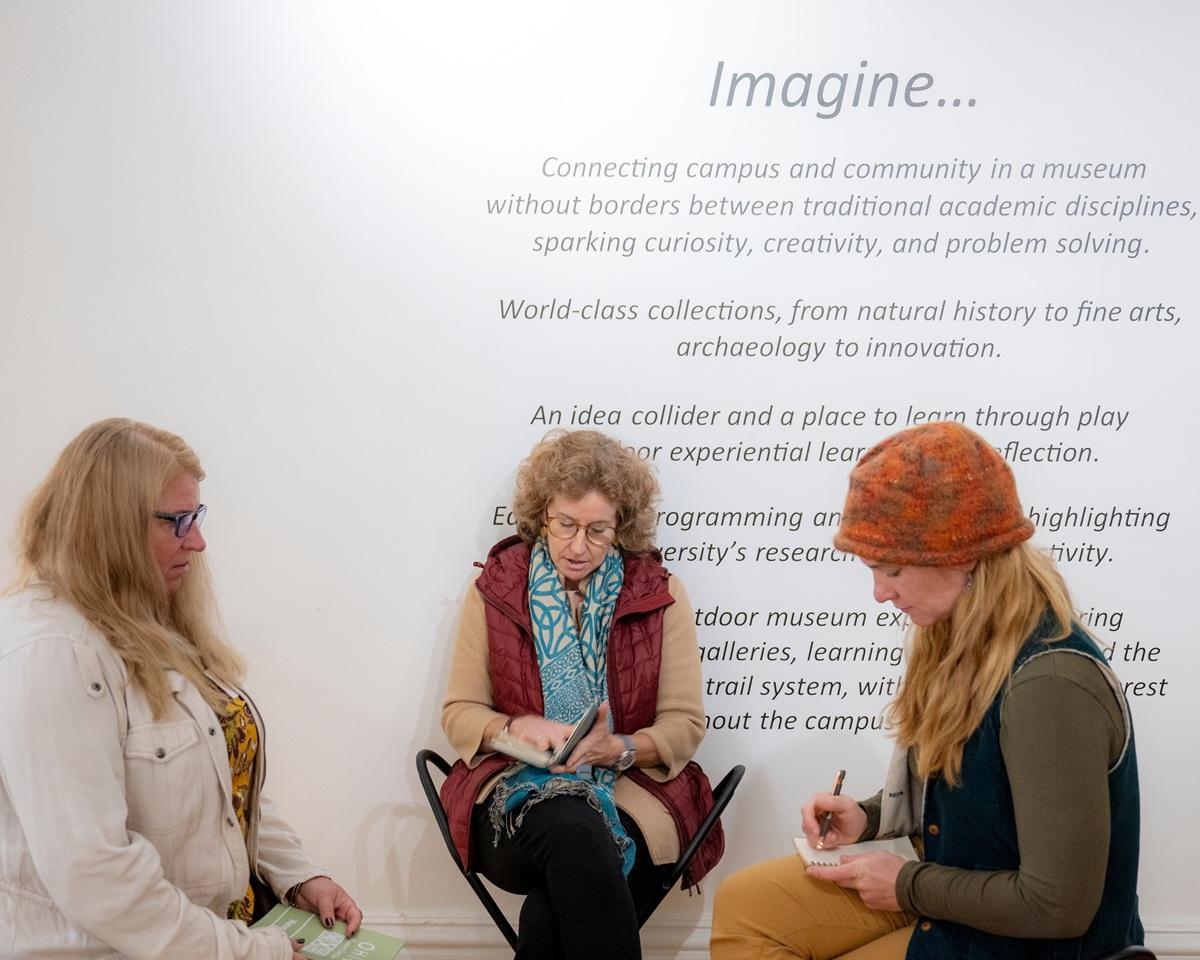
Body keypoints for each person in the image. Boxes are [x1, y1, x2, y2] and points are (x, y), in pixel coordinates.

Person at [711, 422, 1143, 960]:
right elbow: (972, 799)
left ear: (960, 555)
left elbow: (1058, 906)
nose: (878, 594)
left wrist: (907, 883)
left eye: (891, 569)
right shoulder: (955, 638)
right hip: (957, 891)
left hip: (1030, 943)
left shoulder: (1050, 684)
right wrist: (869, 817)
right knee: (745, 903)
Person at [0, 418, 362, 960]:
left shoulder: (143, 622)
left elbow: (223, 791)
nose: (197, 541)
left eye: (198, 516)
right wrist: (254, 952)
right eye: (178, 521)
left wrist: (299, 876)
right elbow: (97, 875)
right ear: (107, 526)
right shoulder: (52, 652)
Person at [440, 429, 721, 960]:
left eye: (597, 531)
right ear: (542, 515)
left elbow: (683, 724)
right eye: (565, 525)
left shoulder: (660, 593)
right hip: (512, 793)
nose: (577, 545)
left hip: (630, 788)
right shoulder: (497, 589)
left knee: (555, 906)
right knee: (571, 822)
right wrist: (514, 727)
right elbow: (459, 712)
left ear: (622, 528)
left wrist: (617, 748)